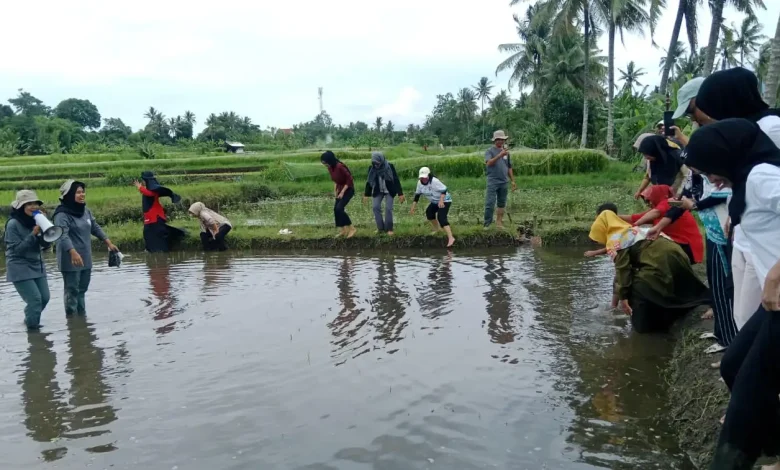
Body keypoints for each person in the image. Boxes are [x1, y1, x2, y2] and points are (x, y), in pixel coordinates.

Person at [682, 119, 780, 470]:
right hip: (775, 306)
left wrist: (775, 275)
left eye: (709, 171)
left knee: (744, 407)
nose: (710, 181)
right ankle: (772, 445)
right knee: (734, 365)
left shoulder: (761, 176)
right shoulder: (745, 182)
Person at [692, 67, 780, 331]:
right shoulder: (745, 131)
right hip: (747, 230)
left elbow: (764, 184)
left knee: (759, 314)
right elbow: (741, 183)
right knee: (743, 314)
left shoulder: (770, 129)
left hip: (769, 242)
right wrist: (735, 214)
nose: (712, 118)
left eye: (714, 109)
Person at [588, 207, 709, 334]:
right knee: (676, 286)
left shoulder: (616, 241)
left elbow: (623, 272)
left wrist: (623, 299)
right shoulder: (630, 230)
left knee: (639, 286)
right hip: (678, 253)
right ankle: (678, 312)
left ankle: (646, 329)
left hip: (660, 260)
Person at [670, 176, 738, 353]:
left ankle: (729, 339)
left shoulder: (720, 175)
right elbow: (687, 195)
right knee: (715, 283)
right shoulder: (698, 177)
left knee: (724, 286)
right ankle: (720, 332)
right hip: (712, 234)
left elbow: (722, 195)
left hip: (723, 238)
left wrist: (694, 205)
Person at [53, 180, 119, 316]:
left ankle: (81, 318)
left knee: (82, 289)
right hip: (70, 257)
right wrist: (73, 252)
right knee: (72, 290)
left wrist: (108, 242)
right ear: (69, 195)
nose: (82, 194)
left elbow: (94, 227)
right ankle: (72, 320)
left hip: (85, 256)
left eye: (83, 191)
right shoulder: (61, 215)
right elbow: (62, 236)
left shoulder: (85, 210)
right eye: (78, 192)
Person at [5, 190, 51, 330]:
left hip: (37, 264)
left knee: (44, 298)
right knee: (35, 300)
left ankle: (30, 319)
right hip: (19, 266)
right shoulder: (13, 224)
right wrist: (33, 233)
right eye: (28, 204)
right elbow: (17, 249)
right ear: (20, 207)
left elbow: (46, 245)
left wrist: (45, 230)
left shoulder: (38, 221)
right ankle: (33, 333)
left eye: (35, 204)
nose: (33, 207)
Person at [631, 184, 705, 265]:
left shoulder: (670, 202)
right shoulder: (658, 211)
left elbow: (655, 212)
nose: (647, 204)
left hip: (688, 248)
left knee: (652, 246)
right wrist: (615, 215)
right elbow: (634, 217)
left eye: (648, 200)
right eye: (645, 201)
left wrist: (635, 225)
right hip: (684, 247)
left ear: (656, 196)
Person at [133, 171, 185, 253]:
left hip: (155, 218)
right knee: (147, 234)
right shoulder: (149, 190)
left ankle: (159, 252)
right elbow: (147, 193)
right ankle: (151, 251)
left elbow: (150, 194)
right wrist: (141, 188)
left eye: (143, 180)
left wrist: (140, 187)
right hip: (149, 218)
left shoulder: (153, 191)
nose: (142, 182)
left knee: (156, 234)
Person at [411, 167, 455, 248]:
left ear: (428, 175)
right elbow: (417, 195)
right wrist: (413, 207)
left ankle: (451, 238)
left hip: (445, 200)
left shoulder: (434, 181)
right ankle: (437, 229)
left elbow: (444, 189)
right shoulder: (419, 183)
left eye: (425, 177)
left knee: (441, 218)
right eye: (421, 177)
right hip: (434, 201)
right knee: (429, 213)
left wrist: (441, 201)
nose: (423, 179)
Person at [363, 152, 404, 235]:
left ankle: (389, 229)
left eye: (377, 162)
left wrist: (400, 193)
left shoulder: (390, 166)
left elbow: (396, 180)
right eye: (374, 163)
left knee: (388, 208)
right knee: (375, 207)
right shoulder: (372, 168)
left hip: (389, 190)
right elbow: (369, 181)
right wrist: (366, 194)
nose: (376, 164)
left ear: (381, 160)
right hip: (378, 190)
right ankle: (380, 228)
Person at [484, 130, 517, 229]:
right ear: (495, 140)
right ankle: (487, 224)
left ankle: (499, 223)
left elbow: (509, 167)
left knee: (501, 203)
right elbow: (488, 163)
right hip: (493, 181)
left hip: (504, 181)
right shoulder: (490, 151)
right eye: (499, 140)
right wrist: (499, 155)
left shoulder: (506, 153)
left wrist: (512, 180)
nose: (501, 142)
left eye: (502, 140)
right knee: (490, 202)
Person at [321, 151, 356, 238]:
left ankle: (352, 229)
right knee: (336, 209)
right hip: (339, 189)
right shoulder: (330, 168)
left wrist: (342, 192)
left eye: (325, 163)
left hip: (348, 189)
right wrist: (335, 192)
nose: (325, 165)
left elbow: (350, 179)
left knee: (339, 208)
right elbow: (335, 180)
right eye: (323, 163)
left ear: (330, 160)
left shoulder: (340, 166)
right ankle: (343, 230)